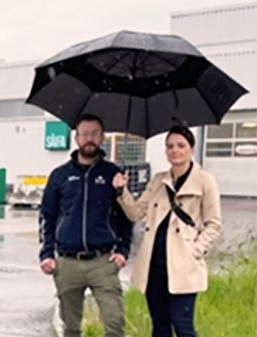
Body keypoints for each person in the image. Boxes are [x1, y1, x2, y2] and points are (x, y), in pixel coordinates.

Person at [112, 125, 222, 337]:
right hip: (154, 265)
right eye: (170, 146)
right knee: (160, 325)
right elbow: (135, 213)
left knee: (183, 327)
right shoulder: (159, 180)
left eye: (181, 145)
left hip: (184, 265)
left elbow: (214, 224)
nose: (175, 150)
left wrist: (195, 250)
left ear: (191, 148)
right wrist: (121, 191)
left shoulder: (205, 181)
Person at [39, 114, 132, 337]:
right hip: (68, 263)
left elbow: (126, 217)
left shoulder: (113, 174)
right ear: (76, 137)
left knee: (114, 323)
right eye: (85, 134)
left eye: (95, 134)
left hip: (103, 262)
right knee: (71, 327)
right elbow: (47, 216)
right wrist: (46, 253)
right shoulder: (60, 175)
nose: (89, 138)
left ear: (102, 138)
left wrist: (123, 250)